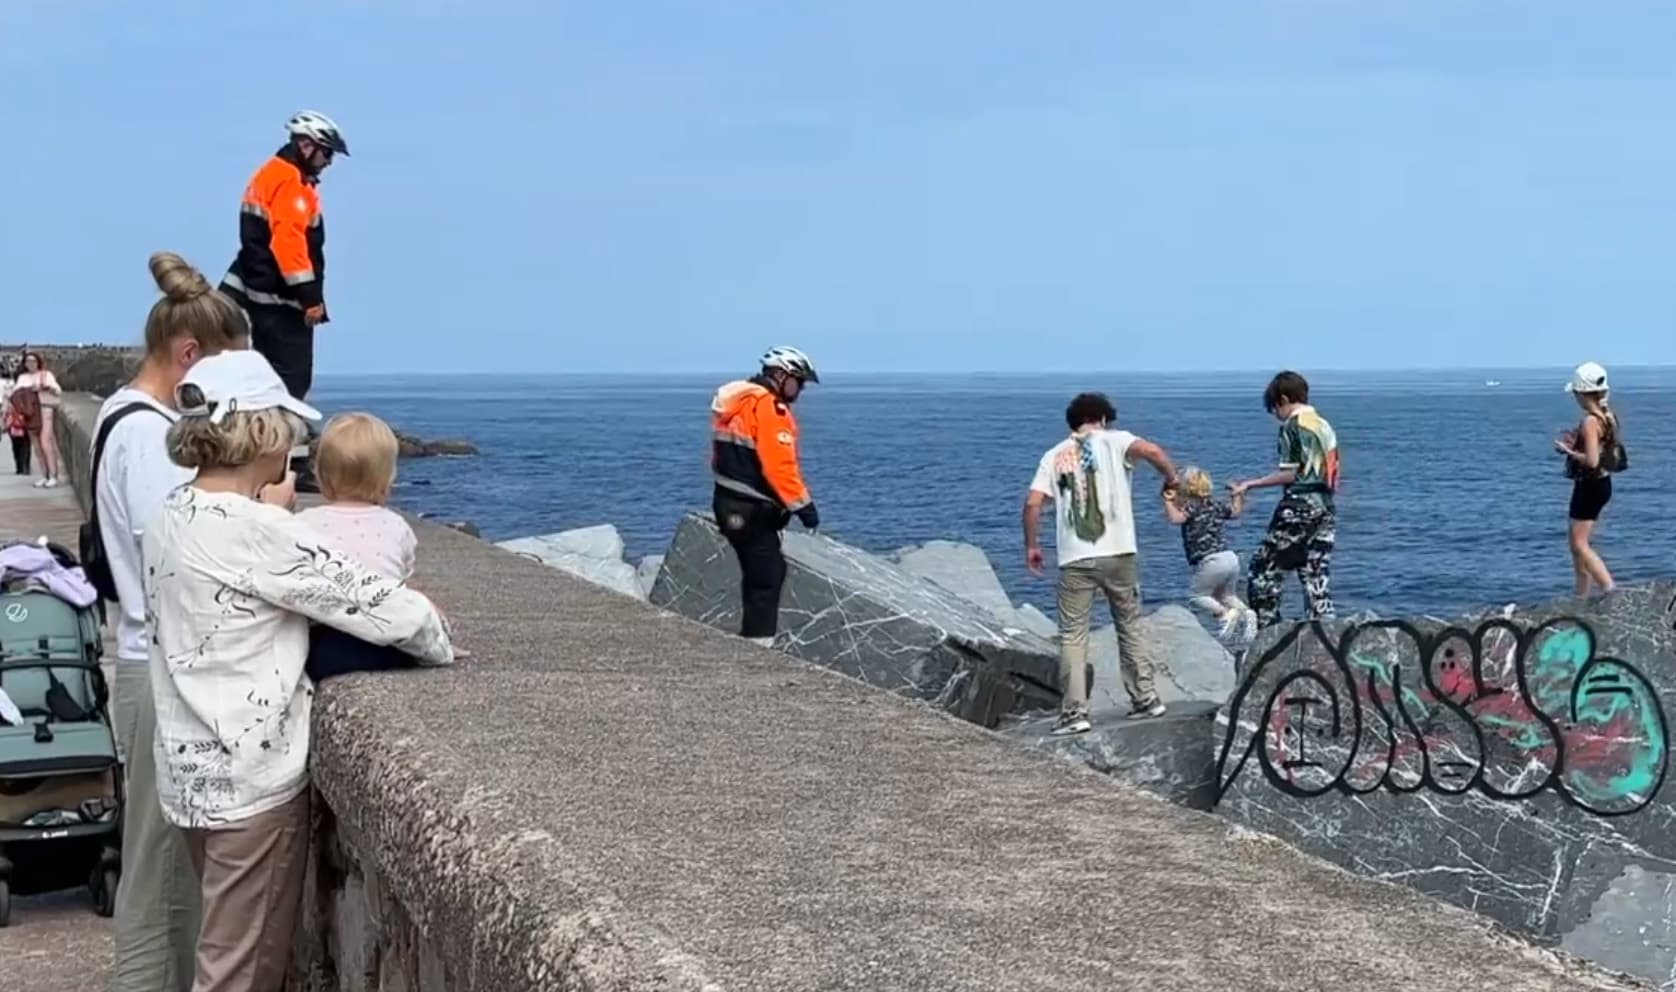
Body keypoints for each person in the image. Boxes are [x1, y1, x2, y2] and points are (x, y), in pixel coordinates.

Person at [144, 349, 453, 992]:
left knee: (226, 951)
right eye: (285, 427)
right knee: (240, 972)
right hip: (249, 781)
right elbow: (384, 608)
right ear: (261, 432)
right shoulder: (259, 530)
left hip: (188, 772)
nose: (293, 441)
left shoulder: (171, 512)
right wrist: (437, 635)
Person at [96, 252, 250, 992]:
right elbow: (179, 559)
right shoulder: (150, 438)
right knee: (160, 889)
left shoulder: (118, 416)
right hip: (158, 670)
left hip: (144, 662)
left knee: (167, 881)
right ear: (189, 356)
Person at [1023, 392, 1178, 735]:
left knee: (1073, 635)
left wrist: (1032, 545)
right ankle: (1145, 698)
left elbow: (1033, 504)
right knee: (1129, 624)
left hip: (1076, 558)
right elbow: (1153, 452)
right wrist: (1171, 478)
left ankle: (1075, 713)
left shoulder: (1053, 455)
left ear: (1073, 422)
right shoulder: (1118, 441)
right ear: (1104, 419)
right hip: (1120, 551)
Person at [220, 110, 349, 491]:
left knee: (261, 380)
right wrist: (310, 298)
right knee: (291, 382)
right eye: (326, 152)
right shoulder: (290, 183)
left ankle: (261, 459)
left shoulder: (271, 175)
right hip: (280, 302)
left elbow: (253, 248)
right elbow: (289, 247)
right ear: (306, 145)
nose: (329, 161)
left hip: (257, 294)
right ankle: (286, 467)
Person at [295, 412, 425, 680]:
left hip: (323, 645)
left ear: (320, 475)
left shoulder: (303, 523)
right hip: (388, 645)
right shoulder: (396, 525)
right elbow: (400, 580)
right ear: (388, 478)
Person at [710, 346, 821, 646]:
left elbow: (721, 457)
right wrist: (805, 508)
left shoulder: (739, 404)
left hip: (727, 503)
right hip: (751, 509)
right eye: (799, 381)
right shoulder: (770, 408)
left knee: (757, 571)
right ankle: (758, 648)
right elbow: (779, 467)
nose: (800, 389)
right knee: (767, 577)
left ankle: (751, 639)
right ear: (781, 375)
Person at [1230, 370, 1340, 629]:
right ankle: (1325, 632)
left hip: (1299, 505)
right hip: (1326, 506)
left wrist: (1250, 484)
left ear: (1283, 399)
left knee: (1263, 570)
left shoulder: (1293, 426)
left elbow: (1290, 473)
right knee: (1315, 573)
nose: (1275, 415)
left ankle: (1268, 632)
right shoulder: (1324, 426)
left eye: (1274, 409)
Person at [1163, 466, 1256, 645]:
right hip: (1230, 557)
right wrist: (1237, 495)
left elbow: (1175, 519)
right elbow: (1235, 512)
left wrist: (1168, 501)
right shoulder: (1216, 505)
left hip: (1211, 560)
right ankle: (1247, 613)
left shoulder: (1192, 507)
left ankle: (1224, 614)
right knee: (1227, 595)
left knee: (1197, 596)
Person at [1554, 361, 1624, 597]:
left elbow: (1593, 460)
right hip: (1599, 484)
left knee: (1580, 544)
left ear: (1581, 393)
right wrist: (1578, 442)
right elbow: (1602, 447)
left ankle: (1609, 589)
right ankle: (1582, 593)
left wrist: (1568, 450)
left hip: (1590, 486)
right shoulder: (1607, 416)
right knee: (1576, 544)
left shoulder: (1590, 421)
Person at [15, 352, 62, 488]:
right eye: (28, 361)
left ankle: (53, 475)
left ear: (38, 362)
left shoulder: (46, 375)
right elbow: (16, 394)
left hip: (45, 408)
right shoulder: (22, 378)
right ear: (25, 363)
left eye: (33, 361)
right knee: (36, 445)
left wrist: (44, 387)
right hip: (30, 412)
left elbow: (58, 391)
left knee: (45, 442)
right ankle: (44, 475)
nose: (31, 364)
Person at [2, 364, 29, 475]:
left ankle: (20, 466)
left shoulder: (10, 389)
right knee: (25, 443)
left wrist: (4, 419)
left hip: (14, 419)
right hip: (24, 418)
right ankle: (25, 466)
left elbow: (5, 406)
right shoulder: (29, 389)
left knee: (16, 444)